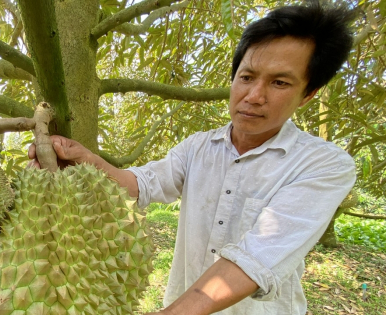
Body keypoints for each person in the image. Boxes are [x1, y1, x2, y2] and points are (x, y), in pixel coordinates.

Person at [29, 1, 356, 314]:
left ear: (307, 94)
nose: (254, 96)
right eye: (246, 77)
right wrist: (84, 160)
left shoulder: (324, 165)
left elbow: (259, 256)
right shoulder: (199, 147)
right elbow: (141, 185)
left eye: (280, 82)